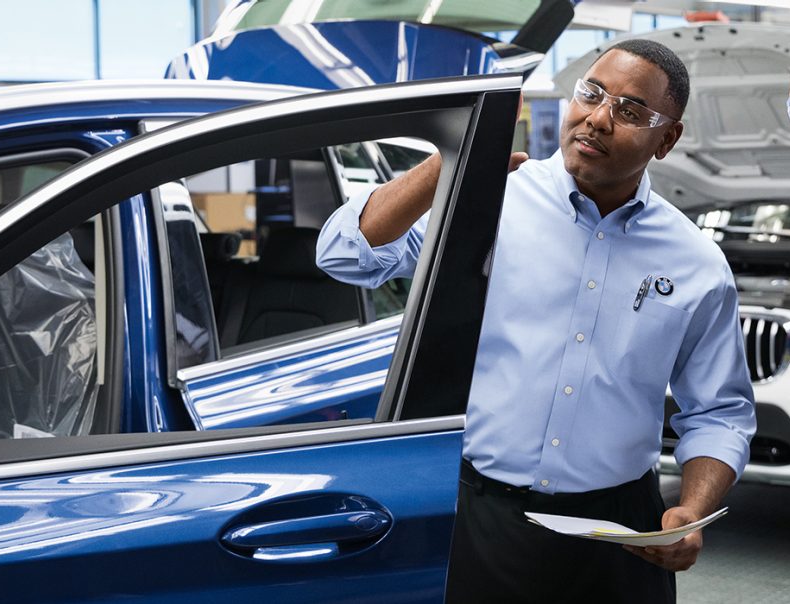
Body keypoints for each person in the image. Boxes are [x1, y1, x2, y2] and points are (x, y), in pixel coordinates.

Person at [315, 39, 756, 603]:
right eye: (591, 94)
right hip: (483, 521)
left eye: (629, 110)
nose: (598, 118)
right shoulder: (490, 202)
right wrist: (454, 163)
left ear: (667, 139)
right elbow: (344, 254)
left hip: (622, 535)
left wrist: (692, 510)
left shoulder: (695, 262)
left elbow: (720, 412)